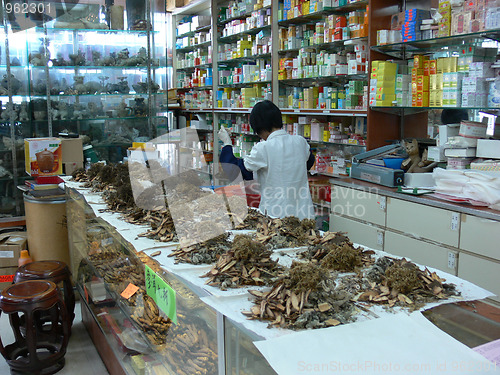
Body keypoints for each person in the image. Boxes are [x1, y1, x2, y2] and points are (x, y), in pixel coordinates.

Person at [218, 100, 315, 220]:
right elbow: (308, 162)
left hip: (276, 216)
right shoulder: (300, 141)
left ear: (259, 127)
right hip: (304, 215)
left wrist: (227, 143)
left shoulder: (263, 148)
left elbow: (233, 171)